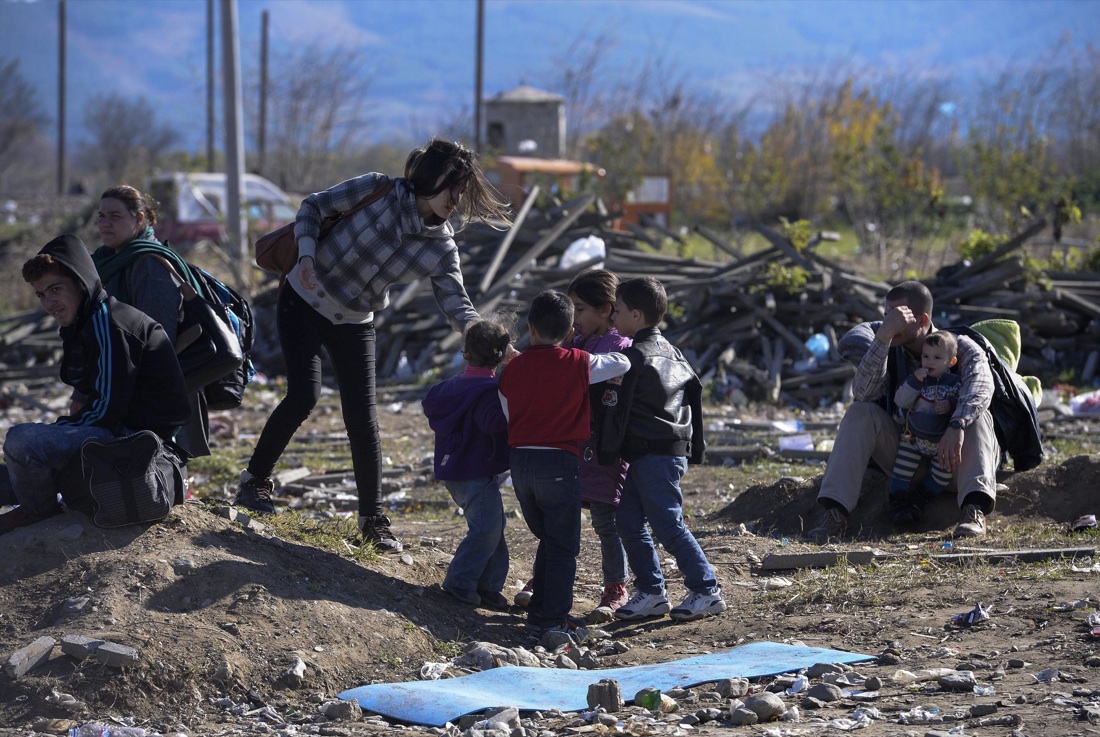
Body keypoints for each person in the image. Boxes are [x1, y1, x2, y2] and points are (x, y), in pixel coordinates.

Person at [236, 138, 511, 554]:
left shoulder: (441, 247)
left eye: (463, 191)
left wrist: (489, 339)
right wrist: (307, 255)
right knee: (303, 395)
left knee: (363, 420)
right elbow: (313, 206)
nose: (457, 199)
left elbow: (457, 302)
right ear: (432, 177)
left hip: (354, 320)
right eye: (453, 188)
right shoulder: (375, 188)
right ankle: (254, 483)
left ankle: (372, 520)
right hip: (304, 299)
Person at [1, 234, 190, 534]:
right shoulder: (89, 320)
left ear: (79, 282)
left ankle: (38, 516)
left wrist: (57, 429)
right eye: (41, 295)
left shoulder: (110, 323)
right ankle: (35, 506)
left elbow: (106, 409)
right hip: (117, 432)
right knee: (11, 469)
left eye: (55, 290)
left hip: (136, 442)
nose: (49, 303)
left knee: (22, 441)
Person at [805, 280, 998, 542]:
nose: (890, 322)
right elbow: (863, 393)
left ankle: (973, 509)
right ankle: (836, 514)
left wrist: (957, 424)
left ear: (922, 320)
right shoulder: (887, 346)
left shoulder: (959, 347)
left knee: (978, 415)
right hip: (908, 459)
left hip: (953, 462)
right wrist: (883, 337)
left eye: (898, 316)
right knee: (860, 412)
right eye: (886, 315)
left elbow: (981, 385)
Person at [498, 291, 630, 634]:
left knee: (549, 539)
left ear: (530, 327)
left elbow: (507, 414)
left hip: (521, 464)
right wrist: (579, 348)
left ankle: (540, 607)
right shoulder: (577, 362)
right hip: (559, 462)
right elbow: (623, 362)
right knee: (563, 545)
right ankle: (552, 619)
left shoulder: (512, 370)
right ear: (570, 328)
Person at [596, 276, 726, 623]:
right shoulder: (673, 351)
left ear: (636, 315)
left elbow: (616, 408)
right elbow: (692, 397)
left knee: (667, 523)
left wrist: (605, 447)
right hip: (656, 452)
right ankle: (652, 592)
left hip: (656, 454)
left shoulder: (633, 357)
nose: (613, 318)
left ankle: (706, 589)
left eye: (619, 310)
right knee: (627, 519)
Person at [90, 185, 211, 460]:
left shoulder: (149, 263)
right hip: (124, 374)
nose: (105, 223)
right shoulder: (109, 261)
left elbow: (158, 335)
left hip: (155, 379)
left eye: (115, 216)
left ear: (140, 219)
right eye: (101, 216)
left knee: (157, 459)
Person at [421, 316, 515, 610]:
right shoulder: (488, 391)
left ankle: (487, 587)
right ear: (501, 356)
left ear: (465, 353)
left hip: (455, 468)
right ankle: (460, 583)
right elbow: (492, 422)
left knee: (493, 527)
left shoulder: (449, 387)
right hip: (476, 469)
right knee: (486, 530)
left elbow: (430, 403)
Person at [888, 330, 962, 525]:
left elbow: (962, 404)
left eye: (937, 358)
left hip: (940, 441)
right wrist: (915, 381)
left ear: (951, 362)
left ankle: (921, 498)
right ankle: (899, 503)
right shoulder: (916, 379)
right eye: (926, 356)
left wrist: (949, 406)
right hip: (912, 437)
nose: (929, 362)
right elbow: (900, 401)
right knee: (902, 469)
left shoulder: (955, 383)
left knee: (943, 474)